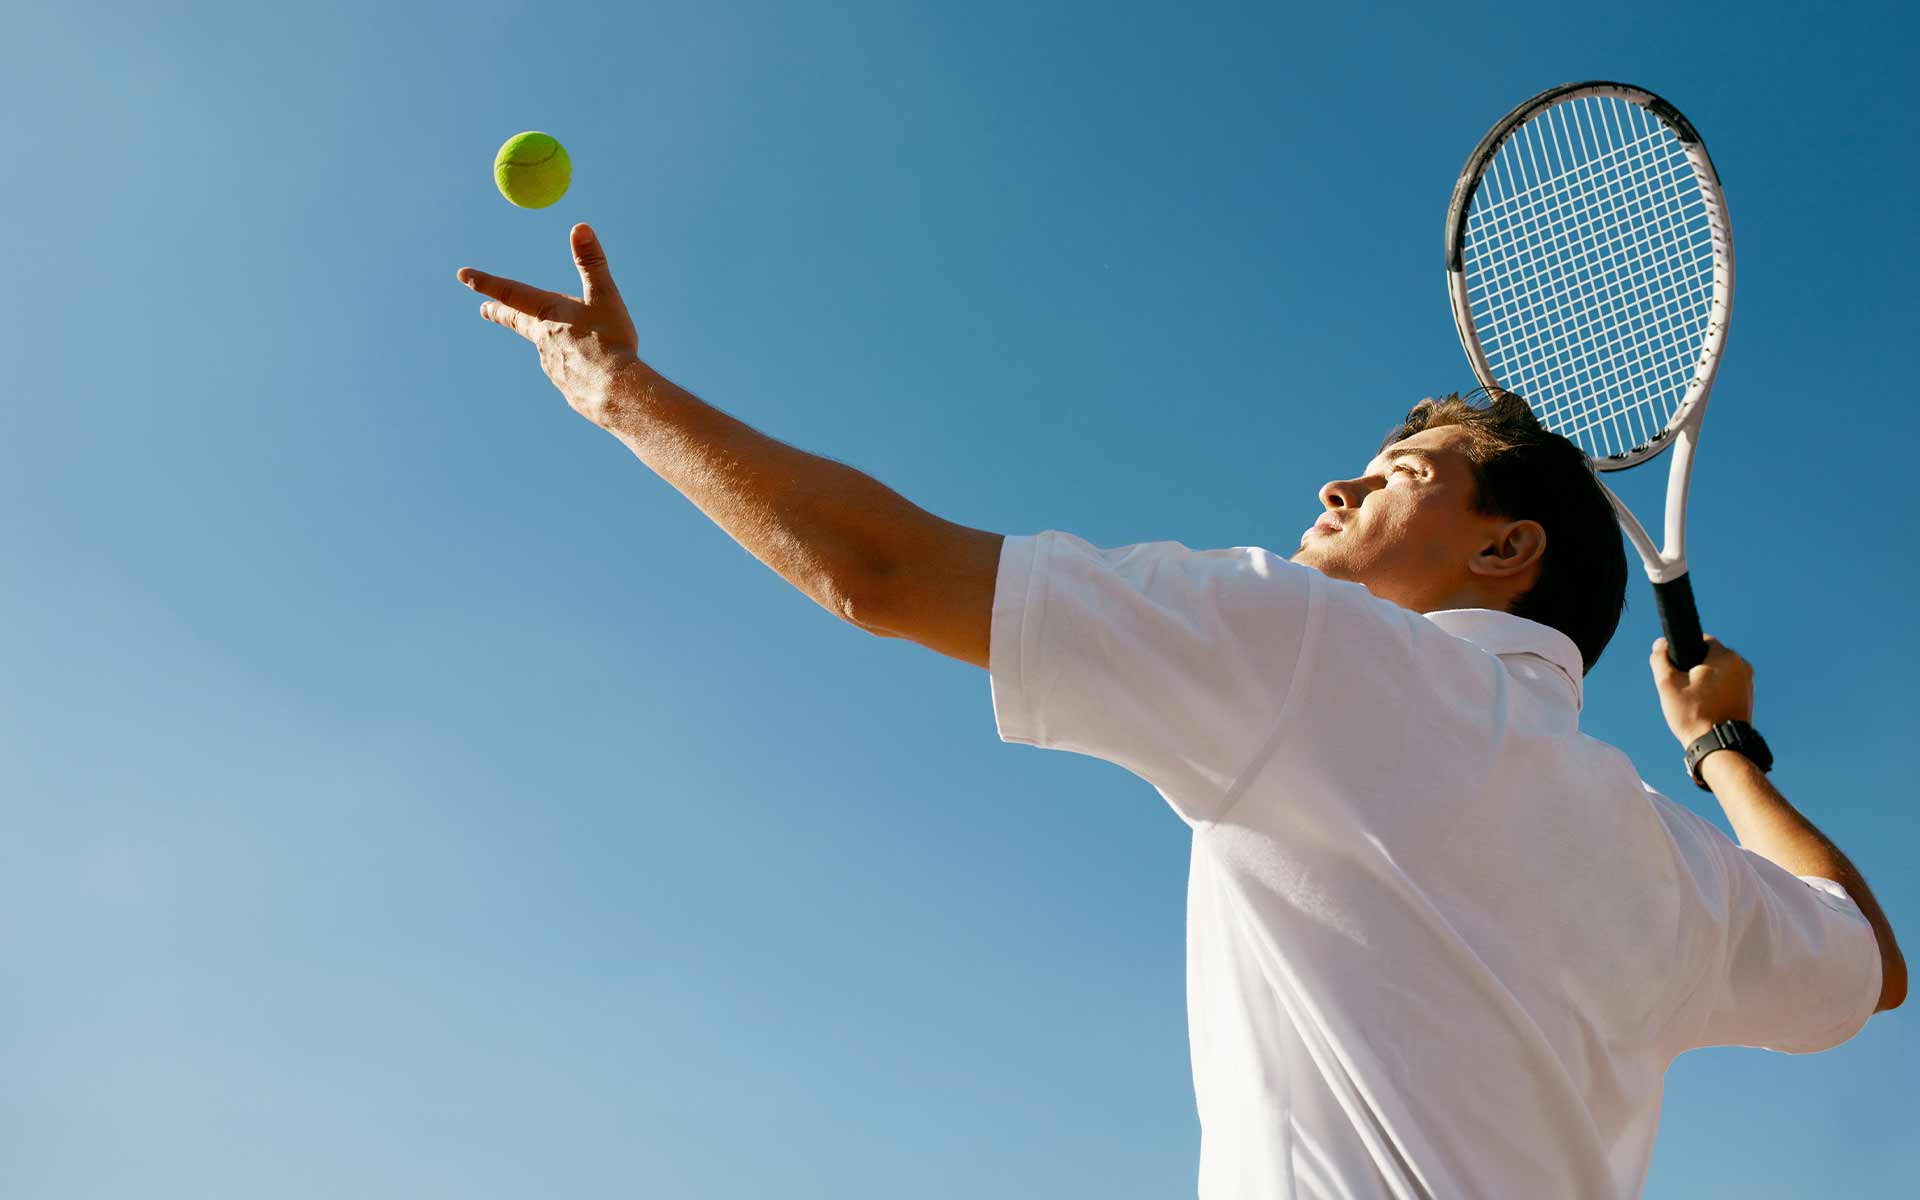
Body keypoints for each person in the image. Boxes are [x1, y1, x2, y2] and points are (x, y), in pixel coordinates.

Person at [457, 225, 1906, 1199]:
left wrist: (618, 392)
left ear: (1506, 550)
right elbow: (1868, 962)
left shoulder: (1318, 655)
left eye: (1404, 471)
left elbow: (877, 571)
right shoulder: (1664, 863)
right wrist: (1719, 750)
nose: (1340, 485)